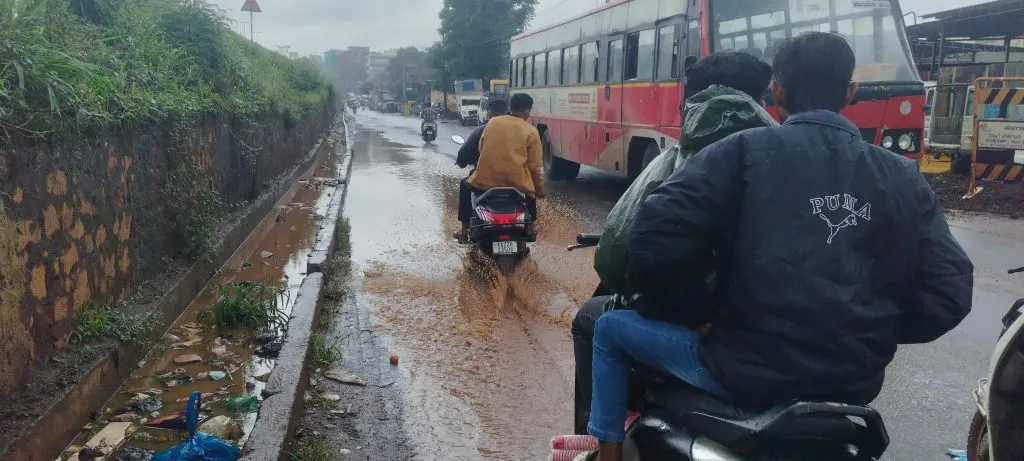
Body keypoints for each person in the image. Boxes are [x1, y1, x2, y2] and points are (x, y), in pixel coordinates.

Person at [587, 32, 974, 461]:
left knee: (607, 328)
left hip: (744, 372)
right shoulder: (904, 177)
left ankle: (608, 455)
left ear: (777, 92)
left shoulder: (740, 152)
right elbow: (950, 291)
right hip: (853, 384)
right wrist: (870, 326)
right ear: (850, 92)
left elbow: (654, 233)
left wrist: (695, 315)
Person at [571, 50, 774, 435]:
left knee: (590, 319)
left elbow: (617, 257)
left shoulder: (676, 162)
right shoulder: (793, 165)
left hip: (718, 340)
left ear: (690, 102)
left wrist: (695, 314)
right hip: (788, 339)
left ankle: (600, 439)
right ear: (763, 101)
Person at [453, 94, 543, 242]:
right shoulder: (532, 131)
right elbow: (535, 168)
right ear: (527, 111)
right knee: (531, 192)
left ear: (510, 107)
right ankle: (529, 227)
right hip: (518, 186)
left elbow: (481, 148)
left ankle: (464, 230)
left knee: (465, 185)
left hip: (485, 184)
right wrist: (539, 190)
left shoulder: (492, 123)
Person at [456, 99, 508, 170]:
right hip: (514, 174)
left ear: (489, 113)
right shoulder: (517, 130)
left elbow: (463, 153)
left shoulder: (482, 130)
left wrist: (461, 163)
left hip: (485, 173)